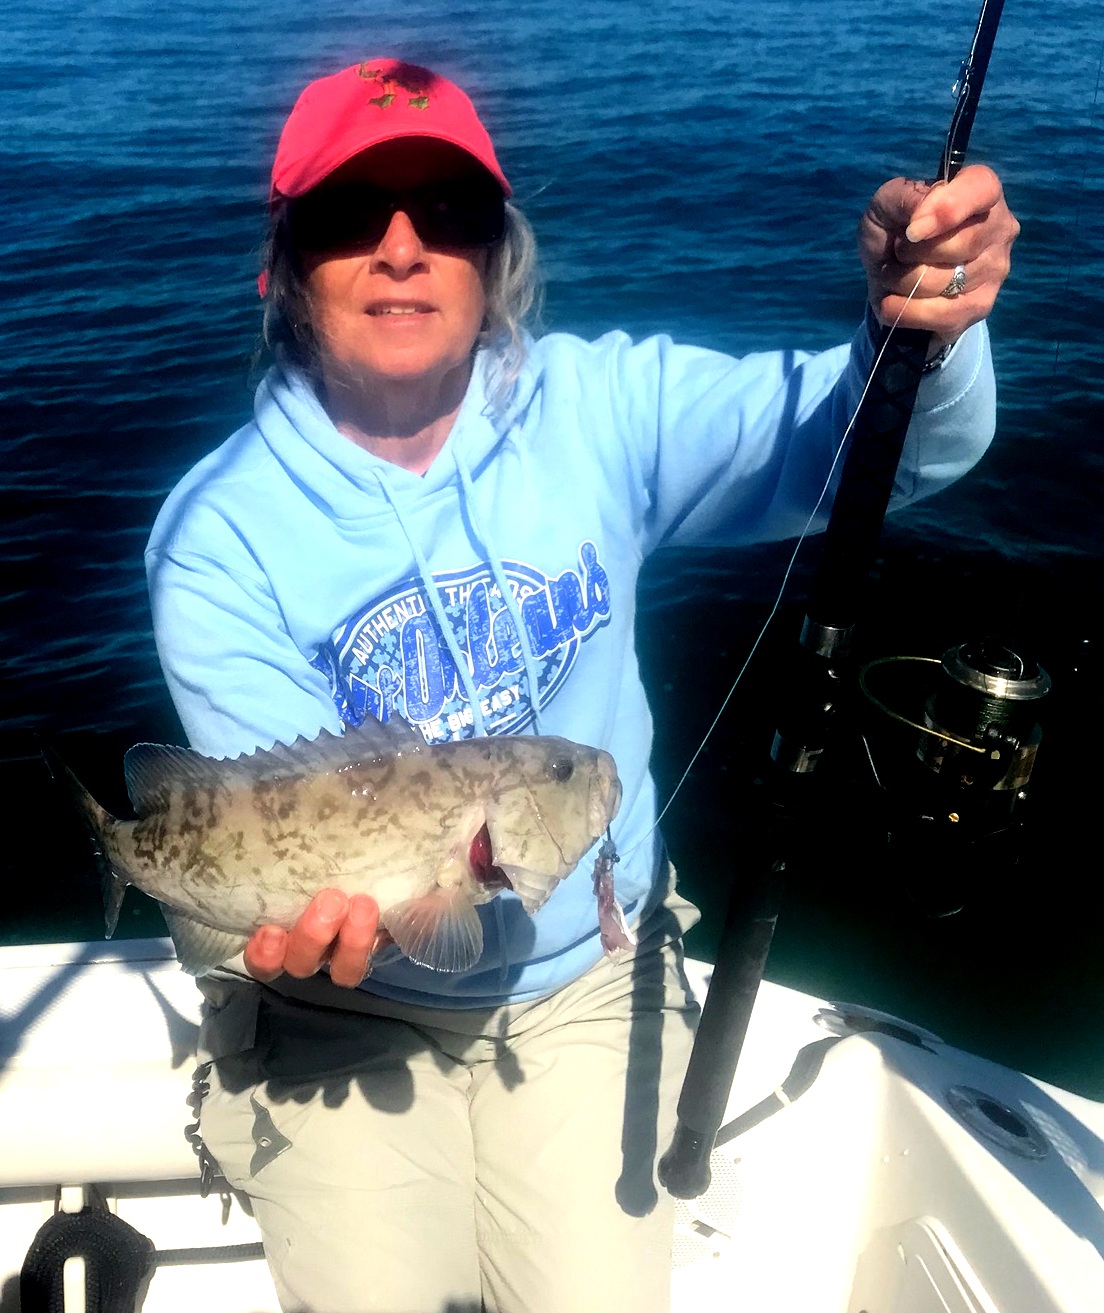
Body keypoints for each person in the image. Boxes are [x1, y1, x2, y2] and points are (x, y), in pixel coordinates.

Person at [146, 57, 1018, 1313]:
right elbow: (288, 828)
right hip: (343, 1011)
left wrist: (924, 330)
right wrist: (288, 930)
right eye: (349, 215)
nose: (403, 248)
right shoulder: (214, 535)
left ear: (496, 252)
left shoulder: (602, 406)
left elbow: (895, 450)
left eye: (449, 211)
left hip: (588, 980)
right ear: (282, 268)